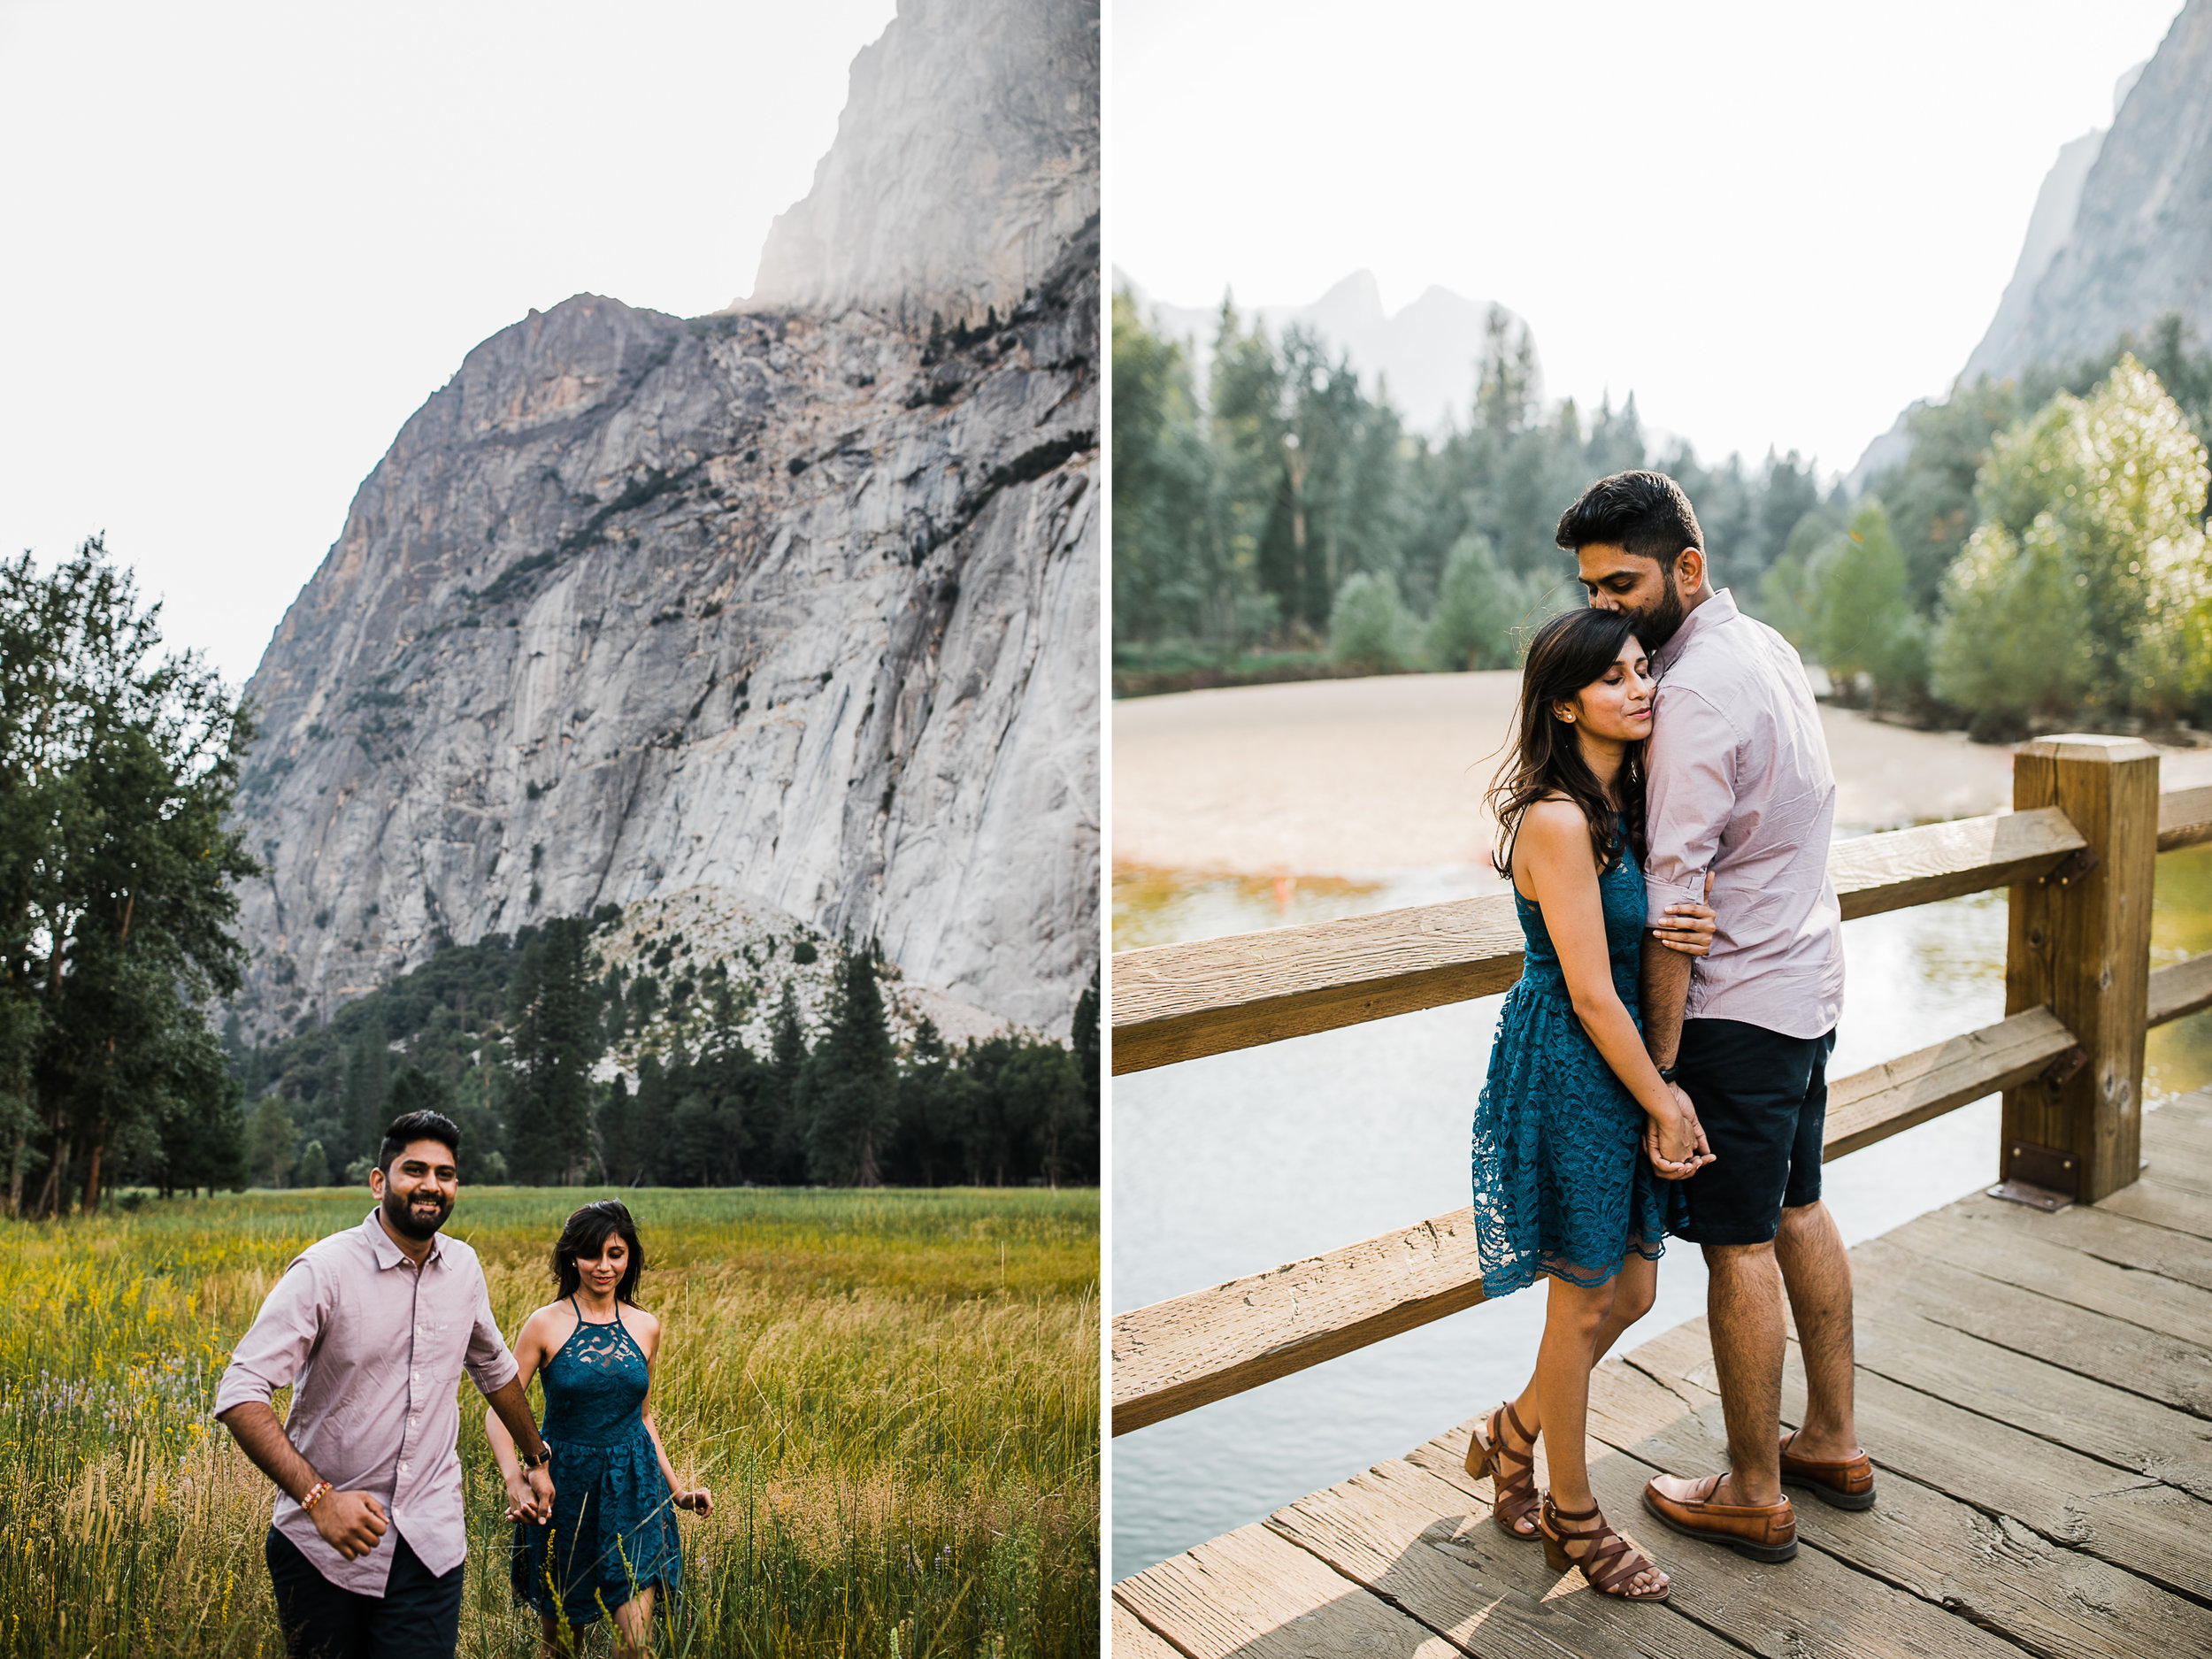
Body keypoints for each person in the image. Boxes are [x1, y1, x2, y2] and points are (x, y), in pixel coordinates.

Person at [1562, 468, 1872, 1566]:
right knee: (1799, 1208)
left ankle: (1751, 1490)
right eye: (1591, 589)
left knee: (1736, 1244)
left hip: (1736, 1009)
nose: (1605, 607)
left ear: (1686, 569)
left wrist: (1657, 1074)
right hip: (1805, 985)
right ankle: (1829, 1442)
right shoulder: (1771, 650)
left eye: (1623, 584)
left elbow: (1674, 897)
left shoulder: (1690, 693)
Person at [1463, 605, 1718, 1603]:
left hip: (1612, 1066)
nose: (1640, 686)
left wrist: (1681, 927)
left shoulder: (1628, 808)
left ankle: (1511, 1431)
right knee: (1580, 1307)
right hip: (1571, 1070)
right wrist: (1663, 1101)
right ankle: (1572, 1514)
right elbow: (1586, 990)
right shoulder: (1559, 819)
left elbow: (1638, 940)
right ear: (1565, 704)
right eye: (1614, 678)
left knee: (1633, 1293)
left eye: (1643, 668)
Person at [216, 1110, 556, 1659]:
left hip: (430, 1544)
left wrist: (536, 1459)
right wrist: (318, 1501)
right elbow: (240, 1391)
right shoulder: (324, 1270)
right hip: (323, 1548)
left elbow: (494, 1369)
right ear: (379, 1182)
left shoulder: (464, 1268)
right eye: (414, 1170)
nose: (431, 1185)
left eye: (445, 1174)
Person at [488, 1200, 712, 1657]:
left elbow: (643, 1419)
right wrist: (518, 1478)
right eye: (592, 1254)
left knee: (635, 1646)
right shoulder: (545, 1323)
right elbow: (498, 1410)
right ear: (573, 1257)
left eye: (616, 1254)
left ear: (629, 1257)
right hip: (564, 1489)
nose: (603, 1266)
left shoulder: (646, 1326)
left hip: (635, 1491)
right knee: (559, 1647)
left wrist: (677, 1492)